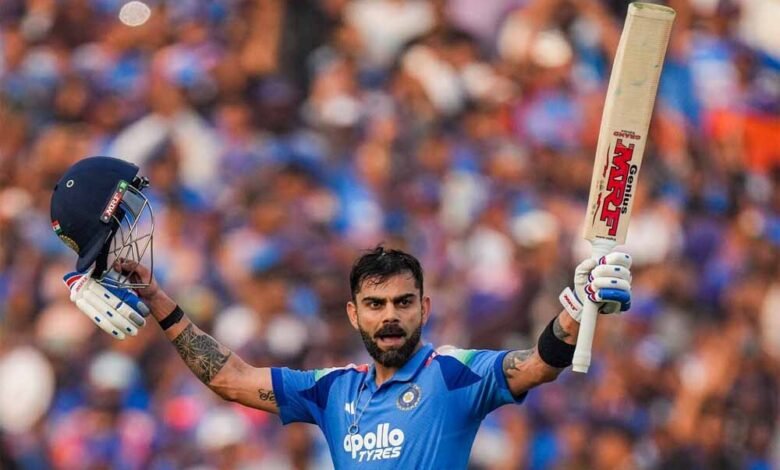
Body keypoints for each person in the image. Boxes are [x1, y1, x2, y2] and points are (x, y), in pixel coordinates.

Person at [51, 157, 633, 468]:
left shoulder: (456, 374)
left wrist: (578, 310)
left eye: (403, 303)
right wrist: (159, 301)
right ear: (353, 315)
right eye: (375, 305)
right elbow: (231, 378)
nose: (390, 317)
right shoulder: (333, 391)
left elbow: (538, 364)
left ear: (425, 308)